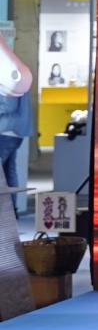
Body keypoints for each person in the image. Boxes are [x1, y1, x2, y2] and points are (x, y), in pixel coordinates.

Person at [0, 35, 33, 212]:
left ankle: (6, 213)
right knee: (9, 172)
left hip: (5, 131)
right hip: (15, 132)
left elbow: (6, 106)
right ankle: (12, 210)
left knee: (5, 174)